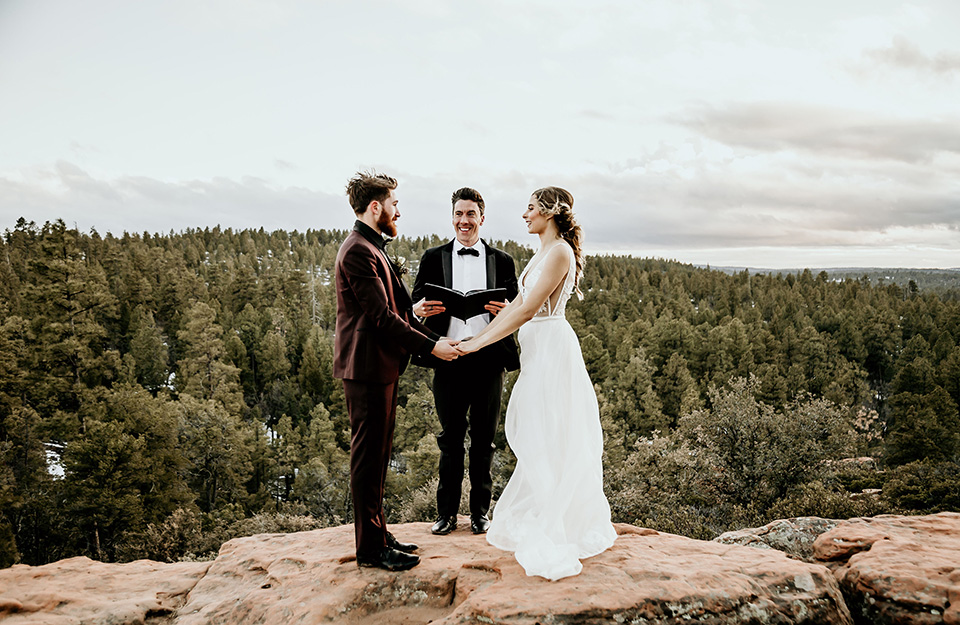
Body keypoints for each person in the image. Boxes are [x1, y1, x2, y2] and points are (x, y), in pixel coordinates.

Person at [455, 186, 617, 580]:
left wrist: (478, 343)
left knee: (546, 432)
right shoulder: (545, 250)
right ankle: (549, 510)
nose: (525, 215)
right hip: (537, 351)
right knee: (537, 432)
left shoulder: (560, 250)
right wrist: (477, 335)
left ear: (550, 212)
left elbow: (528, 310)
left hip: (550, 349)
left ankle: (557, 524)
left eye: (530, 208)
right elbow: (516, 304)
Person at [334, 171, 460, 572]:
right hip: (366, 369)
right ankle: (370, 550)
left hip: (381, 368)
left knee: (380, 455)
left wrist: (434, 338)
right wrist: (432, 346)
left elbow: (401, 311)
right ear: (376, 207)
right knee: (368, 459)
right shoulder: (357, 251)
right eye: (394, 205)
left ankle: (377, 532)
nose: (398, 212)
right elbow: (383, 318)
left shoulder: (371, 246)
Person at [410, 187, 520, 536]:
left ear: (482, 218)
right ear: (452, 217)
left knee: (484, 439)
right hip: (448, 356)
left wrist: (506, 311)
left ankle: (480, 514)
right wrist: (418, 310)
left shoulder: (502, 260)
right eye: (459, 214)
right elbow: (412, 304)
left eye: (471, 214)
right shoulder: (432, 257)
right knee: (451, 438)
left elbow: (518, 307)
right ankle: (445, 515)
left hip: (488, 358)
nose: (464, 221)